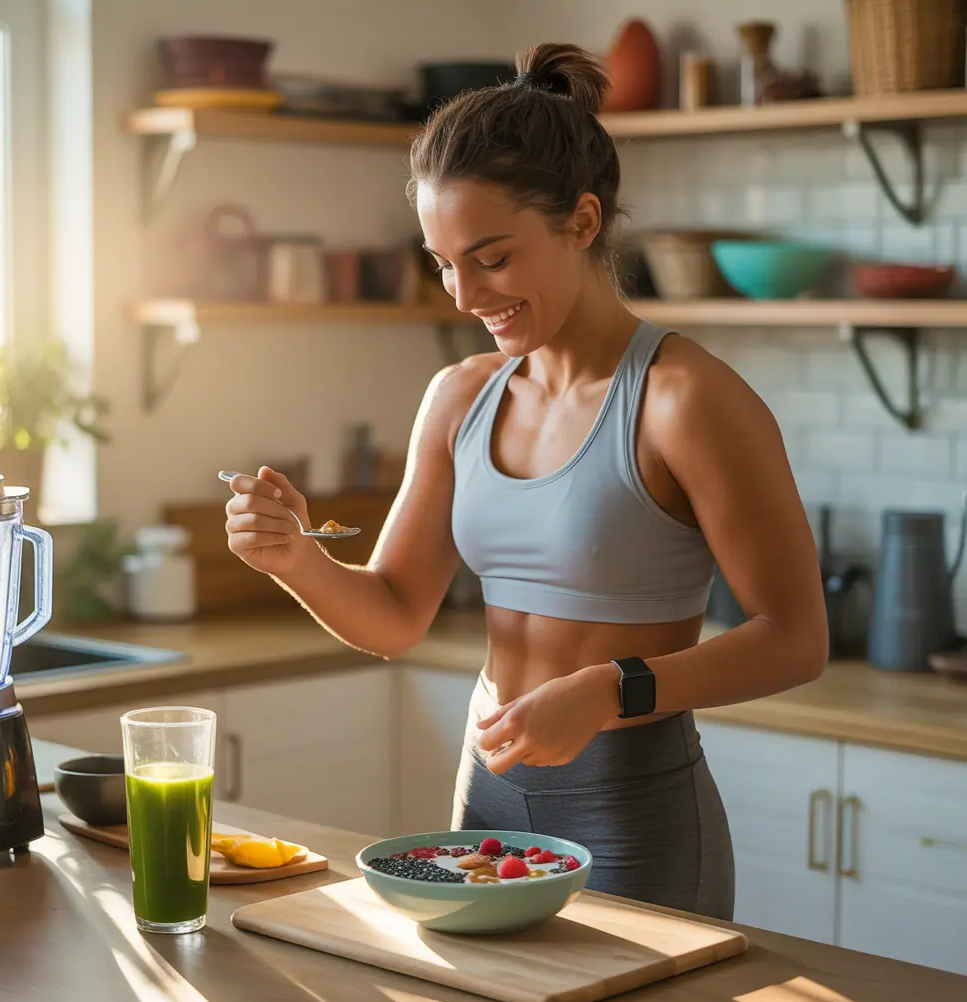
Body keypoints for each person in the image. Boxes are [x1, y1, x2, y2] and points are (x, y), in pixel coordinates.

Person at [224, 42, 829, 920]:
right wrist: (291, 559)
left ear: (582, 223)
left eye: (492, 258)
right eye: (442, 262)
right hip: (489, 803)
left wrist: (610, 688)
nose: (464, 293)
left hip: (633, 808)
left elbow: (796, 638)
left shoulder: (685, 400)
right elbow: (393, 612)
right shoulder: (459, 396)